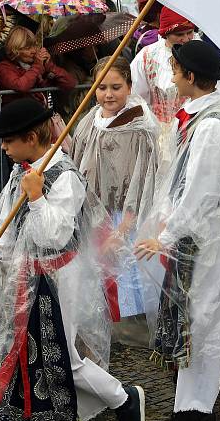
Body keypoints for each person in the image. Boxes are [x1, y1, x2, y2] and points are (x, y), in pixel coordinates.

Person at [0, 97, 146, 421]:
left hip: (61, 275)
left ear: (30, 138)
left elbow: (54, 234)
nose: (2, 147)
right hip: (27, 272)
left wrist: (36, 196)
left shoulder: (63, 175)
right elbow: (7, 224)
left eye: (8, 141)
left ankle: (124, 398)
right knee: (23, 348)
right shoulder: (23, 171)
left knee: (64, 355)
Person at [134, 40, 220, 420]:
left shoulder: (211, 126)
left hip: (206, 234)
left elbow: (202, 190)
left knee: (201, 315)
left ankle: (194, 406)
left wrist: (167, 233)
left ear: (191, 76)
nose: (172, 79)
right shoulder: (196, 116)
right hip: (193, 230)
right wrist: (166, 216)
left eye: (175, 71)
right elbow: (179, 178)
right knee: (192, 313)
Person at [69, 57, 160, 339]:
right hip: (95, 215)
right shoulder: (89, 121)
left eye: (116, 87)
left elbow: (142, 179)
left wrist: (124, 228)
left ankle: (133, 332)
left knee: (126, 283)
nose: (108, 94)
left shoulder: (139, 127)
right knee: (97, 278)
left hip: (124, 216)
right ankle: (104, 328)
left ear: (130, 87)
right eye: (102, 87)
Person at [0, 26, 77, 107]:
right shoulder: (4, 67)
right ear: (15, 50)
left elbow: (70, 83)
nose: (34, 51)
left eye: (34, 45)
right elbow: (22, 86)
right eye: (28, 48)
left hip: (43, 112)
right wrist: (37, 66)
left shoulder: (37, 63)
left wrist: (51, 66)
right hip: (20, 115)